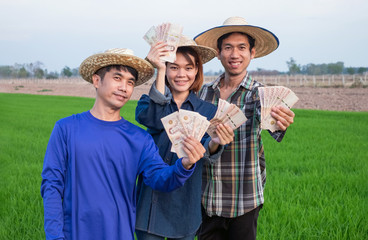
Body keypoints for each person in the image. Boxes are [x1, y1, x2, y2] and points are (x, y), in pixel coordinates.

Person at [40, 48, 208, 240]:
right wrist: (54, 236)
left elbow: (160, 178)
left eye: (130, 82)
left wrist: (184, 164)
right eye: (117, 78)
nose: (124, 87)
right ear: (97, 80)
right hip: (74, 234)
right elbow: (52, 186)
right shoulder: (66, 129)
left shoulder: (139, 139)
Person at [194, 17, 296, 240]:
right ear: (218, 52)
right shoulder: (204, 93)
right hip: (208, 197)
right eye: (228, 47)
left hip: (245, 199)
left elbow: (273, 126)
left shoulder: (260, 94)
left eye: (242, 48)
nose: (234, 54)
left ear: (252, 53)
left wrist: (281, 122)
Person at [135, 36, 234, 240]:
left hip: (184, 203)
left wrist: (216, 141)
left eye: (188, 68)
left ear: (197, 70)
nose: (181, 74)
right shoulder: (148, 102)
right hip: (150, 204)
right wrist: (159, 70)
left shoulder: (208, 110)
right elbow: (152, 118)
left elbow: (207, 149)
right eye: (173, 67)